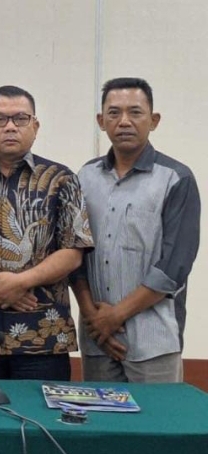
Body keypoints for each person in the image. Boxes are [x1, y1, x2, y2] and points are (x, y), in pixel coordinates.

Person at [0, 85, 93, 380]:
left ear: (35, 126)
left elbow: (73, 251)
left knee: (42, 409)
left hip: (44, 335)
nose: (10, 127)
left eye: (20, 118)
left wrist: (19, 283)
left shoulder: (62, 179)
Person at [73, 77, 200, 383]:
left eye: (135, 112)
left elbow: (173, 267)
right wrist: (93, 317)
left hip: (154, 342)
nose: (124, 121)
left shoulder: (176, 178)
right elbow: (74, 252)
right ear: (101, 121)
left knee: (156, 415)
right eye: (114, 113)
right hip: (97, 339)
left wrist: (115, 316)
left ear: (154, 120)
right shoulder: (85, 177)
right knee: (100, 415)